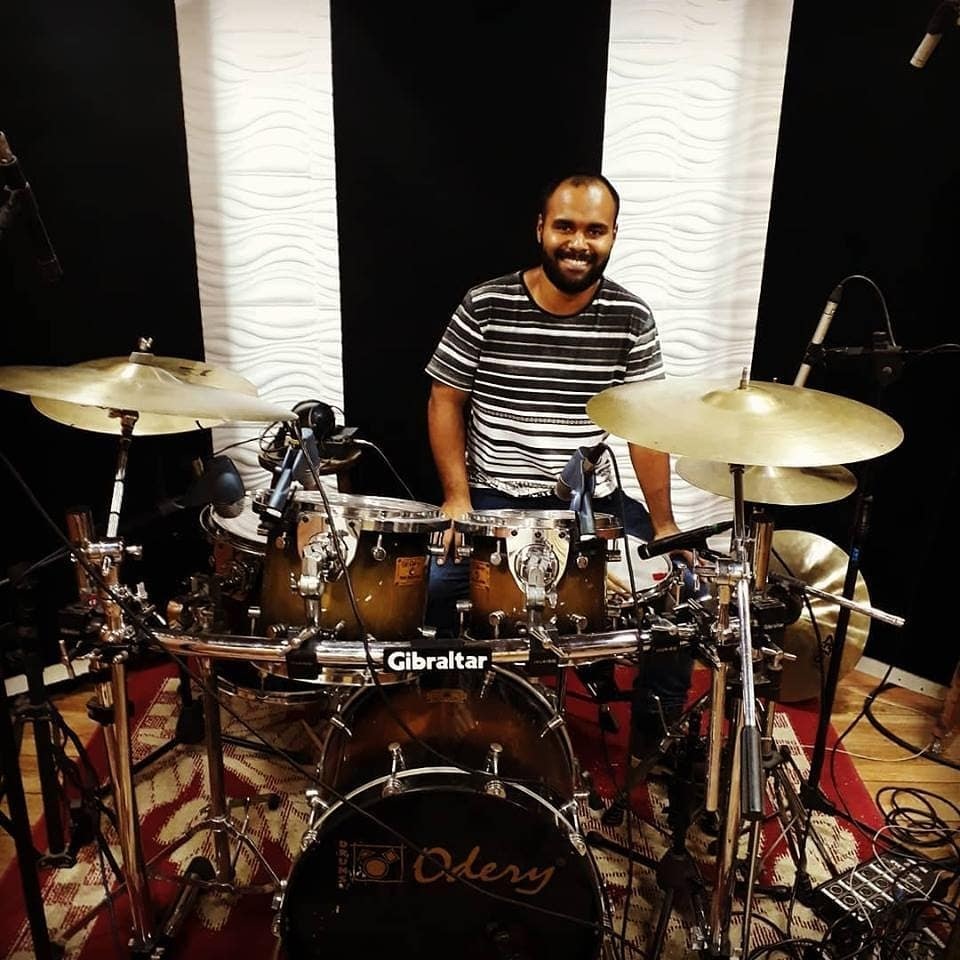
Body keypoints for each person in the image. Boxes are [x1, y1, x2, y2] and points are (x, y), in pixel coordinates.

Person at [424, 172, 692, 761]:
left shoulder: (630, 317)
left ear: (613, 235)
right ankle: (448, 726)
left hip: (589, 503)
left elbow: (646, 428)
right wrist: (456, 499)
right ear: (541, 228)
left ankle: (657, 744)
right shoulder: (485, 305)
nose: (578, 243)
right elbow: (445, 398)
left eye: (595, 230)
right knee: (435, 587)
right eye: (565, 226)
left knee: (680, 591)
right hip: (495, 498)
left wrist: (665, 526)